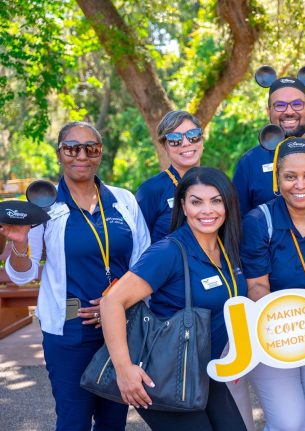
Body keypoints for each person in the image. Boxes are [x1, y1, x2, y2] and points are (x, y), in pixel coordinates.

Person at [1, 121, 151, 431]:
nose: (81, 155)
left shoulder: (123, 201)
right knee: (73, 421)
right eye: (72, 148)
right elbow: (22, 274)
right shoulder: (45, 206)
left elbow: (144, 264)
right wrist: (18, 245)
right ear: (59, 154)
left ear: (100, 154)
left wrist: (114, 306)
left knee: (113, 421)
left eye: (91, 148)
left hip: (122, 328)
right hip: (68, 331)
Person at [100, 167, 249, 431]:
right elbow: (111, 302)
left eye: (216, 200)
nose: (207, 210)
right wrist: (124, 370)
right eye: (196, 201)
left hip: (205, 371)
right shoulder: (168, 251)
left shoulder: (227, 249)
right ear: (183, 205)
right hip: (166, 374)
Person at [241, 137, 305, 430]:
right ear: (277, 179)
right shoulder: (259, 221)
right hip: (276, 334)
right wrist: (287, 325)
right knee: (290, 423)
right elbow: (257, 287)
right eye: (290, 176)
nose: (300, 185)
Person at [233, 71, 305, 216]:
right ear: (268, 111)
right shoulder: (250, 163)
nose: (289, 111)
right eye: (280, 105)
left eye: (297, 104)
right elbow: (237, 222)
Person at [136, 110, 204, 244]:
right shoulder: (151, 190)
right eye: (175, 139)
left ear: (202, 140)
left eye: (193, 135)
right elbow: (137, 246)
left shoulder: (217, 183)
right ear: (164, 146)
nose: (185, 143)